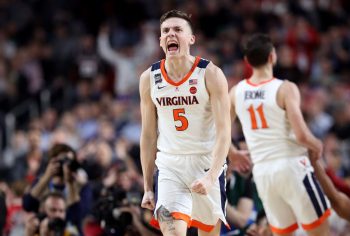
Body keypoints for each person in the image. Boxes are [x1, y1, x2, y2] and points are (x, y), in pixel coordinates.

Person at [139, 10, 231, 236]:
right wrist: (147, 187)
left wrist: (211, 176)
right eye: (166, 31)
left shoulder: (211, 74)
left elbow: (224, 131)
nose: (171, 34)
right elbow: (148, 135)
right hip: (170, 165)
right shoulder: (149, 78)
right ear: (160, 40)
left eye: (178, 30)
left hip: (205, 163)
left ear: (191, 38)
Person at [229, 34, 330, 236]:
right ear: (272, 57)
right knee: (321, 232)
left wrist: (232, 152)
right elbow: (302, 135)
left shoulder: (236, 91)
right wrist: (317, 144)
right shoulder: (285, 88)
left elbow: (219, 131)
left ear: (247, 61)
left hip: (264, 174)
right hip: (291, 166)